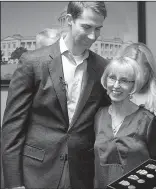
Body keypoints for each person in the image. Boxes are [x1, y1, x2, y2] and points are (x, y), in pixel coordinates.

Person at [2, 2, 109, 189]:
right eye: (87, 27)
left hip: (82, 173)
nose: (93, 36)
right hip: (35, 172)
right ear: (69, 20)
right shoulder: (32, 62)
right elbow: (12, 127)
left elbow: (108, 115)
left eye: (98, 29)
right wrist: (14, 182)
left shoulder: (102, 67)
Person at [94, 56, 156, 188]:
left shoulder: (147, 120)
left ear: (134, 85)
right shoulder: (99, 115)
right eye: (112, 78)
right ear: (105, 80)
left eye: (124, 81)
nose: (116, 85)